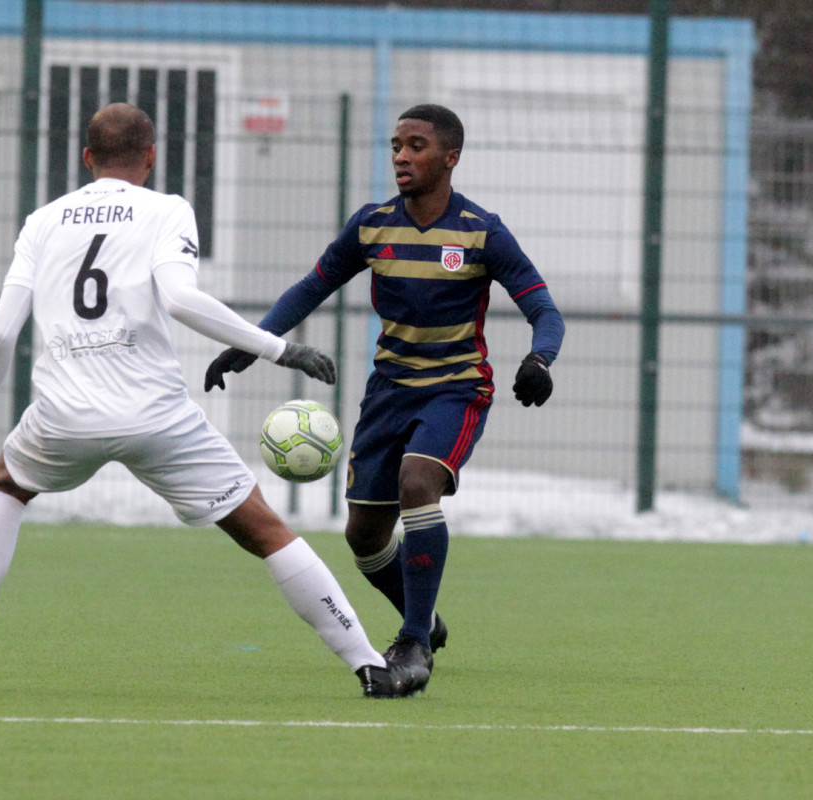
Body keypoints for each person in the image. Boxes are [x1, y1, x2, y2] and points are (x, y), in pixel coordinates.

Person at [0, 103, 427, 699]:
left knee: (5, 486)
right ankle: (369, 665)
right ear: (151, 155)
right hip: (156, 415)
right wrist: (279, 351)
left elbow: (2, 332)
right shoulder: (166, 210)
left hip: (63, 414)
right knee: (265, 531)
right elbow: (182, 301)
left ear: (87, 159)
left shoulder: (44, 221)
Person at [205, 103, 565, 690]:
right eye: (396, 144)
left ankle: (415, 643)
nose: (401, 155)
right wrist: (252, 344)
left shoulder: (482, 230)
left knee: (418, 483)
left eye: (416, 145)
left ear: (450, 157)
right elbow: (311, 286)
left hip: (456, 388)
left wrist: (539, 359)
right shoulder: (372, 224)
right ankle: (424, 617)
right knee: (365, 538)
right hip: (389, 390)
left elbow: (543, 309)